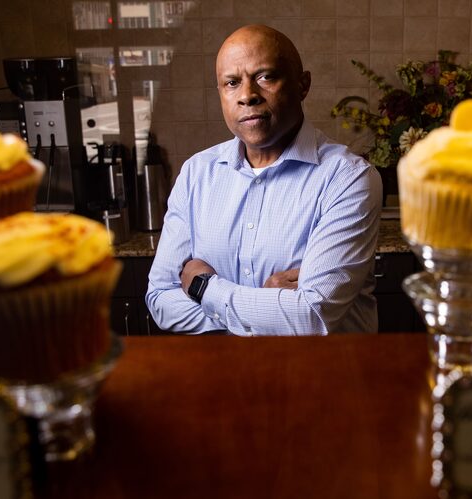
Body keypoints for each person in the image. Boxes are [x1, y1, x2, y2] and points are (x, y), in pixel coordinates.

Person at [145, 24, 382, 335]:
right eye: (231, 83)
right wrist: (266, 307)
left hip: (324, 379)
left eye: (265, 77)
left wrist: (204, 288)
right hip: (227, 378)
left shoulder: (348, 179)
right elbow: (161, 299)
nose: (247, 96)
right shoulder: (196, 174)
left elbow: (312, 317)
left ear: (302, 85)